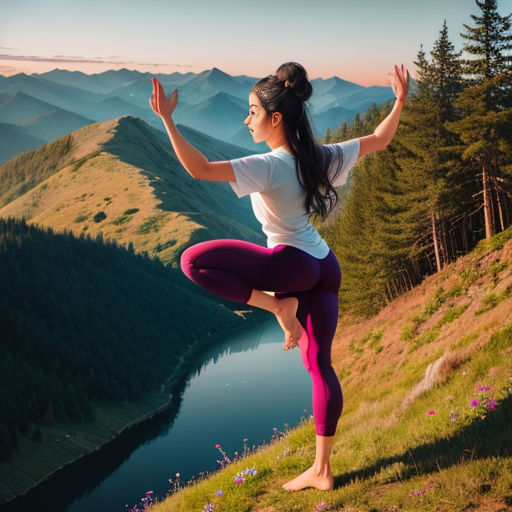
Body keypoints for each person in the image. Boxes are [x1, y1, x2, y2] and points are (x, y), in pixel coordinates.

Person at [149, 62, 409, 492]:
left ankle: (276, 305)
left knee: (193, 261)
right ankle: (322, 471)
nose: (245, 119)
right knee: (319, 365)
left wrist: (167, 120)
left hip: (289, 265)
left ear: (275, 118)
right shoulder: (323, 155)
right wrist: (399, 100)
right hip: (325, 266)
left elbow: (199, 169)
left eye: (251, 112)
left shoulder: (268, 165)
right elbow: (380, 139)